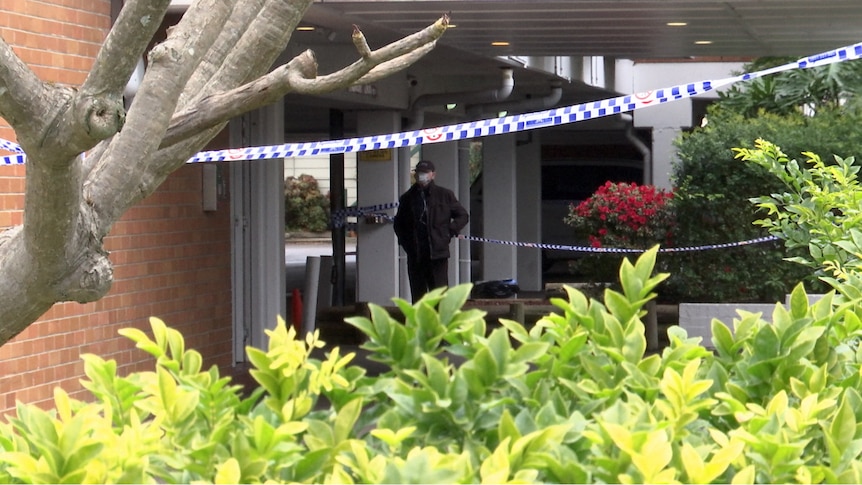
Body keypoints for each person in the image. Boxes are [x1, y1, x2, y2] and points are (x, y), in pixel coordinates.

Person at [394, 160, 469, 302]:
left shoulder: (444, 195)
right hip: (416, 256)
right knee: (419, 297)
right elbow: (399, 224)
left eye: (425, 172)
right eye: (418, 172)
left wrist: (449, 231)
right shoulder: (407, 198)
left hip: (438, 255)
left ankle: (441, 323)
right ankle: (421, 324)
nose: (421, 175)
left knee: (440, 296)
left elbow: (463, 215)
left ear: (433, 175)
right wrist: (407, 245)